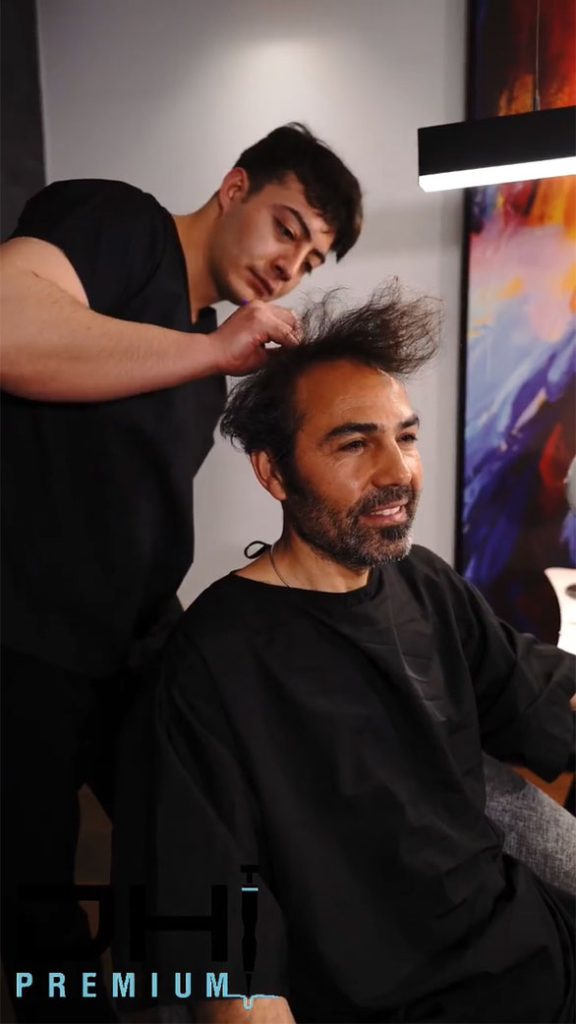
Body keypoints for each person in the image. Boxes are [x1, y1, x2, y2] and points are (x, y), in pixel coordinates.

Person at [118, 286, 575, 1023]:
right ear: (274, 473)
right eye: (355, 444)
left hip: (530, 949)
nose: (397, 472)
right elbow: (225, 958)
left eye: (406, 437)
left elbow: (537, 694)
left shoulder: (423, 582)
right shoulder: (213, 665)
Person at [0, 123, 363, 1023]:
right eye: (286, 229)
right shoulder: (122, 225)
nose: (288, 267)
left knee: (208, 835)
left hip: (129, 640)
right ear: (235, 188)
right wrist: (214, 352)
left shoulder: (205, 360)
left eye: (309, 260)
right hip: (23, 639)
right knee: (38, 903)